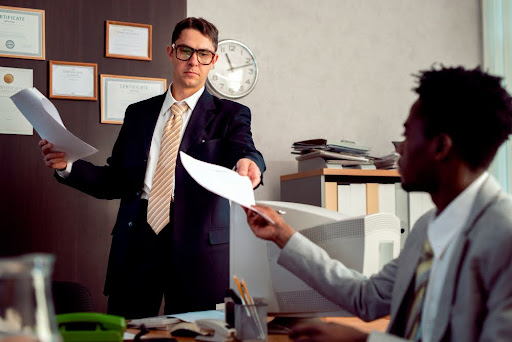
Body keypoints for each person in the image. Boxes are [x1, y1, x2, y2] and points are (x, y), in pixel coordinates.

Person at [245, 65, 512, 342]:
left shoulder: (504, 237)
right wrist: (281, 234)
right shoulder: (427, 227)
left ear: (440, 147)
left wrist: (363, 340)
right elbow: (368, 298)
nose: (399, 148)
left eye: (408, 134)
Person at [39, 17, 265, 319]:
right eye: (185, 51)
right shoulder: (139, 114)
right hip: (137, 240)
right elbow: (115, 180)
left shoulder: (231, 114)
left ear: (214, 61)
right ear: (171, 52)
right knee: (130, 327)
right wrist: (68, 165)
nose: (193, 61)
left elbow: (244, 148)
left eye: (203, 54)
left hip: (198, 246)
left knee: (195, 333)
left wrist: (249, 163)